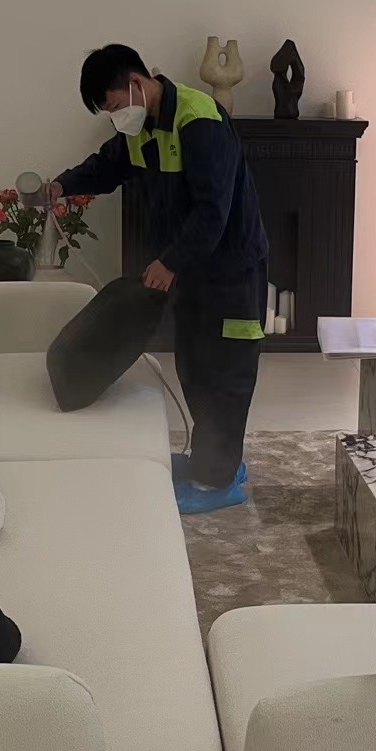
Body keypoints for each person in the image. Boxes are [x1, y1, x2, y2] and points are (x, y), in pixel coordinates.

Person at [48, 45, 268, 514]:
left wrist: (168, 262)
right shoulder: (141, 127)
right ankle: (216, 460)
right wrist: (63, 185)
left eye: (114, 105)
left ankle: (217, 483)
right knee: (195, 367)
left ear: (135, 82)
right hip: (192, 272)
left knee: (224, 373)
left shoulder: (198, 120)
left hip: (231, 272)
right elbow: (107, 165)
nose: (115, 117)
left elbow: (213, 210)